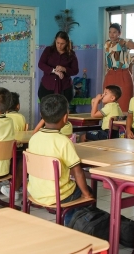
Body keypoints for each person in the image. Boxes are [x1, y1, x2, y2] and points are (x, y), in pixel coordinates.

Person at [27, 95, 93, 225]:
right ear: (66, 117)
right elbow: (78, 172)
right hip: (58, 195)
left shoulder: (34, 138)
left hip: (35, 192)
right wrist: (86, 194)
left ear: (41, 115)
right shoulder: (64, 141)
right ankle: (71, 222)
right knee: (88, 191)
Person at [104, 23, 134, 112]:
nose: (112, 34)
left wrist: (132, 63)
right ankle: (109, 124)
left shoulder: (125, 42)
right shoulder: (107, 43)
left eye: (114, 32)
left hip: (123, 73)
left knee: (124, 102)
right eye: (110, 32)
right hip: (110, 74)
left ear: (119, 33)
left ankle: (125, 124)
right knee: (108, 101)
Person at [37, 31, 78, 104]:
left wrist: (64, 69)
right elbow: (41, 64)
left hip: (65, 88)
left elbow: (75, 70)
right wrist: (53, 71)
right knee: (46, 109)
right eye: (58, 43)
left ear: (67, 43)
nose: (59, 46)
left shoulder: (71, 54)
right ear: (55, 40)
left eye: (62, 44)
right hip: (47, 86)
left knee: (62, 110)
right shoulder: (48, 50)